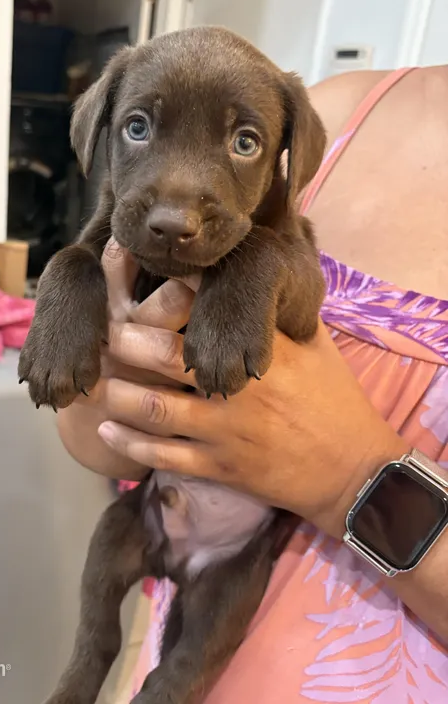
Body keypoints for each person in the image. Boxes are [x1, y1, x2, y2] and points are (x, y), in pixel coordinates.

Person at [56, 65, 448, 702]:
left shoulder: (284, 127)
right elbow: (91, 434)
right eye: (137, 127)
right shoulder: (335, 106)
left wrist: (353, 478)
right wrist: (107, 368)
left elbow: (285, 255)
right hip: (167, 517)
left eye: (243, 142)